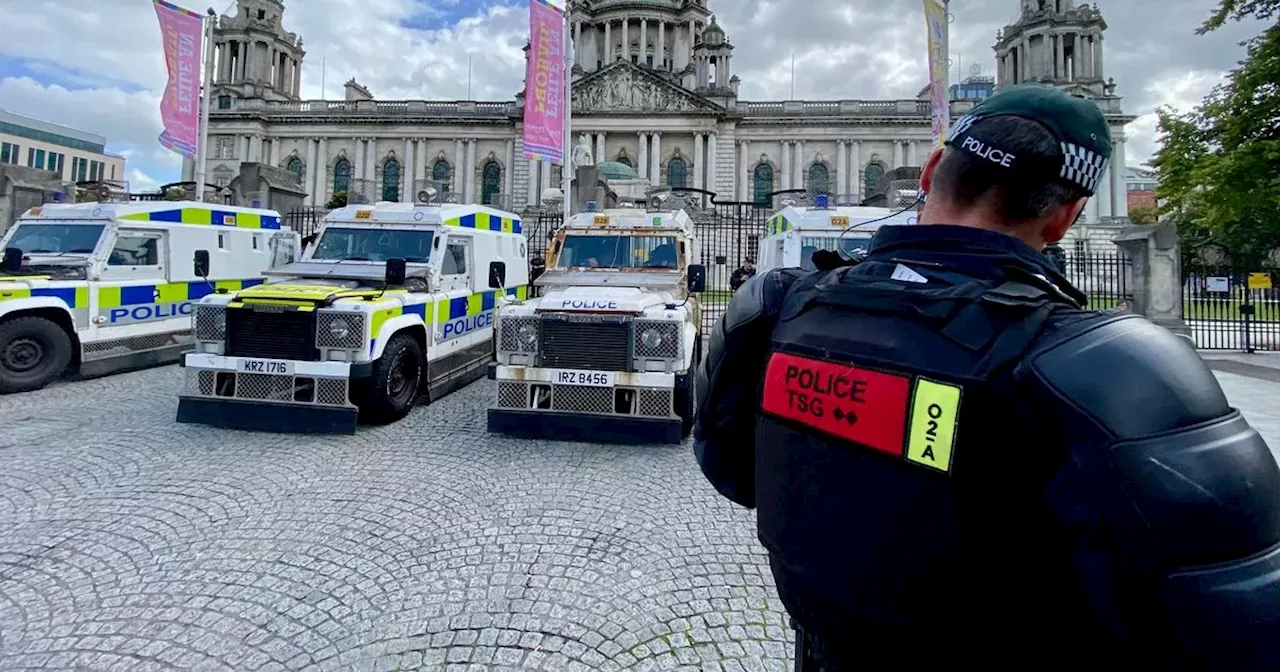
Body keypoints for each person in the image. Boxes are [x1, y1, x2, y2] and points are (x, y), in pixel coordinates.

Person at [693, 84, 1280, 671]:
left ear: (929, 171)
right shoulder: (1115, 366)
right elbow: (1235, 622)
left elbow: (735, 470)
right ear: (1065, 216)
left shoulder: (774, 306)